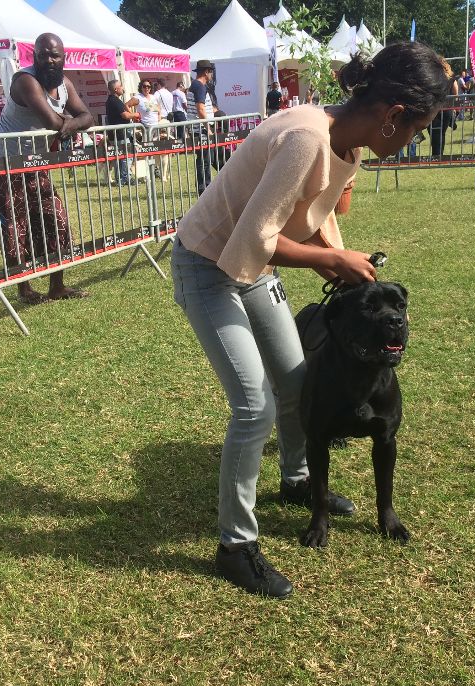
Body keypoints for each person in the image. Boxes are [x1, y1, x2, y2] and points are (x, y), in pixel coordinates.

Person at [170, 41, 451, 598]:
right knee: (255, 406)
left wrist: (346, 261)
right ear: (393, 116)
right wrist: (330, 261)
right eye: (417, 129)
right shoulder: (307, 137)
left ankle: (298, 482)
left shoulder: (348, 142)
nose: (413, 141)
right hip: (207, 265)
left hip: (250, 269)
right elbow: (255, 237)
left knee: (296, 381)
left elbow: (315, 219)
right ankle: (235, 545)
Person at [0, 33, 94, 303]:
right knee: (16, 226)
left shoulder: (65, 84)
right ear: (33, 55)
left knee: (56, 219)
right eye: (43, 54)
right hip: (6, 165)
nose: (48, 60)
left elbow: (88, 117)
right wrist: (69, 123)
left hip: (37, 164)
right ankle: (24, 289)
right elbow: (51, 121)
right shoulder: (26, 81)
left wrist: (68, 124)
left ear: (63, 58)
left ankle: (57, 285)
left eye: (54, 55)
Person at [187, 59, 217, 194]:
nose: (211, 75)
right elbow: (200, 109)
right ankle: (204, 187)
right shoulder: (200, 86)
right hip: (201, 129)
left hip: (197, 127)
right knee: (205, 160)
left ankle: (205, 186)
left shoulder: (194, 85)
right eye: (210, 72)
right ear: (206, 72)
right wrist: (208, 127)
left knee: (205, 159)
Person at [105, 79, 139, 185]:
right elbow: (125, 115)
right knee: (126, 156)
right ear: (116, 89)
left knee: (120, 157)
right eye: (121, 86)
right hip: (120, 134)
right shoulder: (115, 101)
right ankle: (125, 178)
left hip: (116, 133)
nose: (123, 88)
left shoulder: (111, 100)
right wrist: (136, 115)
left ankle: (121, 178)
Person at [429, 74, 459, 157]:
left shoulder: (432, 76)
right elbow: (455, 95)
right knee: (441, 133)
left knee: (435, 133)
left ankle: (436, 155)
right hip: (445, 108)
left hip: (435, 108)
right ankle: (439, 155)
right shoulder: (451, 79)